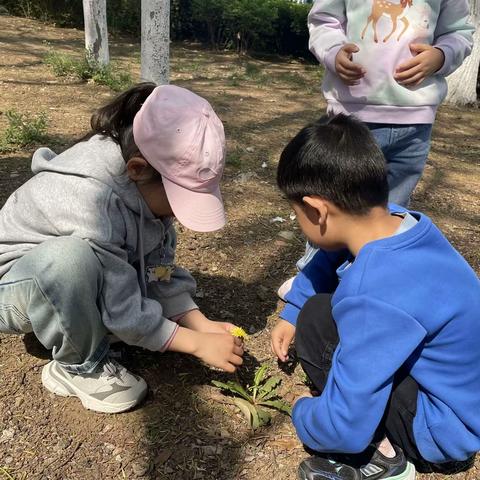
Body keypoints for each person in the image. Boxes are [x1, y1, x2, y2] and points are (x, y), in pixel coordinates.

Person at [0, 83, 244, 414]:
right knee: (68, 260)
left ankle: (88, 323)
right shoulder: (88, 198)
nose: (177, 214)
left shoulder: (147, 188)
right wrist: (195, 344)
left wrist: (198, 322)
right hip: (17, 287)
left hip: (77, 276)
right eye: (178, 198)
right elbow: (121, 304)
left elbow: (157, 269)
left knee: (88, 267)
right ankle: (77, 366)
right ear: (138, 170)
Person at [271, 114, 480, 480]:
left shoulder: (375, 292)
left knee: (317, 325)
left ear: (317, 210)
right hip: (464, 398)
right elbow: (330, 253)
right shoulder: (402, 224)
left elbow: (346, 426)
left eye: (296, 214)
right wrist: (293, 308)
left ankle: (383, 459)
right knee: (313, 310)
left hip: (440, 430)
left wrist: (304, 411)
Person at [277, 0, 474, 299]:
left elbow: (459, 31)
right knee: (328, 200)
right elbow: (323, 21)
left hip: (415, 121)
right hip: (353, 114)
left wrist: (441, 55)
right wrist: (333, 52)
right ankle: (315, 281)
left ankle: (371, 280)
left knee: (388, 209)